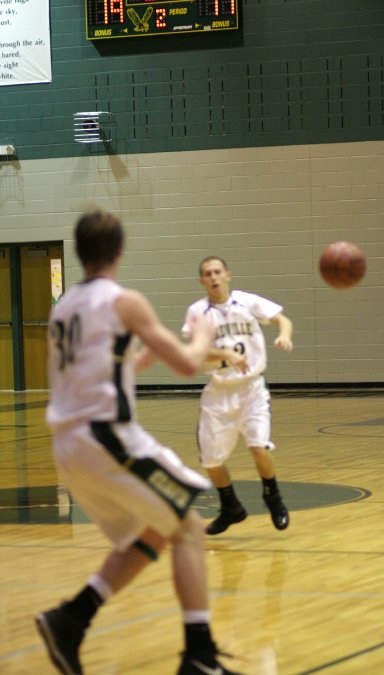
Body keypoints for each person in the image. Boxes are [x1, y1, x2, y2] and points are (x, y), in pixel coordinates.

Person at [35, 212, 242, 675]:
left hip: (68, 448)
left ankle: (70, 619)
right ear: (120, 251)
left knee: (151, 532)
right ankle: (200, 658)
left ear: (79, 251)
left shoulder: (64, 307)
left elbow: (111, 369)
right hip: (106, 440)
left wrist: (144, 353)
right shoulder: (125, 301)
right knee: (188, 524)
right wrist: (205, 336)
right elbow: (189, 364)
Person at [182, 256, 293, 536]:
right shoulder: (197, 311)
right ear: (201, 281)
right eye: (207, 273)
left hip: (251, 389)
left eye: (218, 272)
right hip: (218, 393)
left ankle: (273, 497)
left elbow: (282, 318)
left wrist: (284, 334)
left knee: (258, 447)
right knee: (211, 461)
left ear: (228, 275)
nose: (214, 277)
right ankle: (230, 506)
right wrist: (226, 354)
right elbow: (197, 352)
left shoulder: (246, 302)